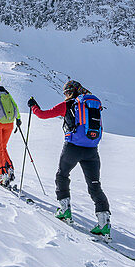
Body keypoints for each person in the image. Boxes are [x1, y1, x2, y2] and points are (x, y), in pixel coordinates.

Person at [28, 80, 110, 236]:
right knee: (95, 185)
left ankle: (64, 210)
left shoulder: (68, 105)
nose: (65, 95)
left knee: (62, 175)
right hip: (92, 151)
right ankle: (104, 222)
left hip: (72, 148)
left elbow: (43, 114)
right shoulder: (90, 105)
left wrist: (33, 105)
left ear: (72, 92)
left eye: (66, 92)